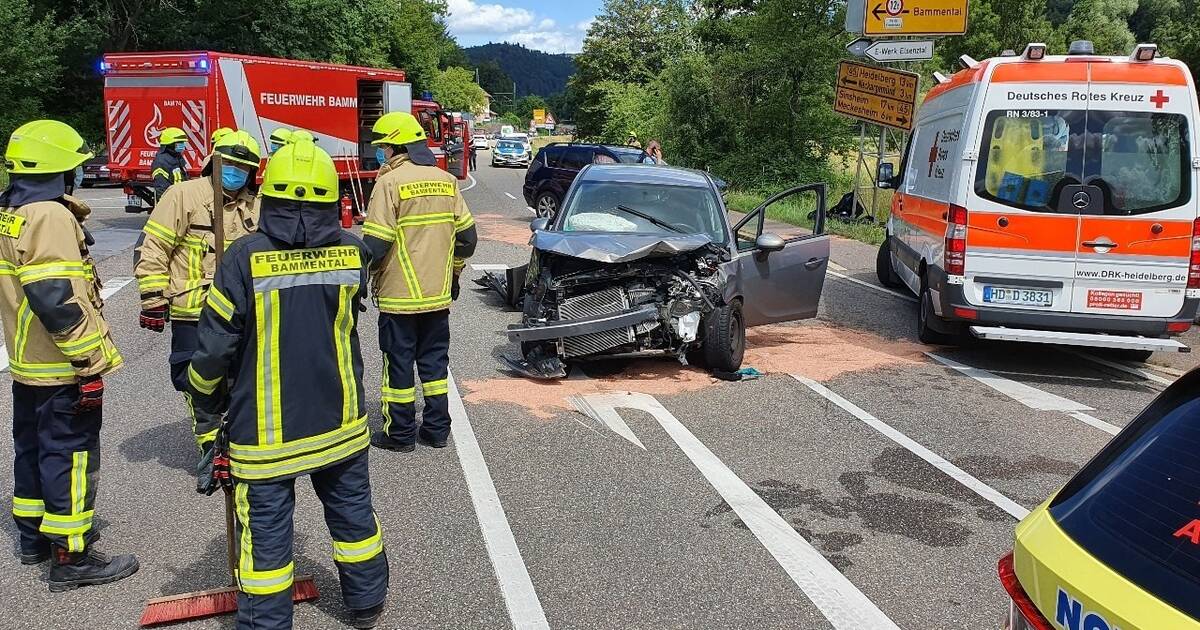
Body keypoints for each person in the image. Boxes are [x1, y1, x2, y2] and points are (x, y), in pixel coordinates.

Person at [187, 139, 388, 629]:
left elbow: (213, 352)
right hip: (341, 418)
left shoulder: (242, 257)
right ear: (331, 197)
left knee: (268, 541)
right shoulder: (351, 251)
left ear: (268, 196)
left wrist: (206, 413)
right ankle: (365, 604)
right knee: (354, 517)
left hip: (265, 433)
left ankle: (267, 624)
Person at [0, 119, 138, 589]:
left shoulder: (11, 211)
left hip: (28, 363)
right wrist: (88, 363)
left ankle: (34, 539)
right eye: (76, 166)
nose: (79, 174)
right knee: (71, 456)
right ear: (59, 170)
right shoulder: (50, 216)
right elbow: (56, 297)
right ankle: (72, 555)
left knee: (33, 451)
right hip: (60, 365)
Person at [134, 130, 262, 452]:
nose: (235, 172)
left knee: (241, 380)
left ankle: (235, 442)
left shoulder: (256, 206)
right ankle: (211, 448)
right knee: (195, 381)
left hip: (241, 312)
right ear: (213, 162)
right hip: (194, 309)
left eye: (243, 168)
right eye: (229, 164)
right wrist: (153, 298)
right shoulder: (183, 195)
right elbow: (154, 248)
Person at [362, 112, 476, 452]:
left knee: (398, 365)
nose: (380, 152)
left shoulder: (388, 183)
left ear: (394, 146)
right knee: (434, 365)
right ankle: (437, 431)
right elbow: (468, 239)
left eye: (382, 146)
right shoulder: (446, 180)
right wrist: (453, 274)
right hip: (438, 297)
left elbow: (376, 244)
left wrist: (361, 278)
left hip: (399, 297)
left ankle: (400, 435)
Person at [151, 126, 190, 201]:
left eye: (182, 142)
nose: (182, 145)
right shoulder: (161, 162)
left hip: (179, 200)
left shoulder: (177, 158)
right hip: (170, 203)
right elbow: (161, 188)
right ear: (170, 144)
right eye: (179, 143)